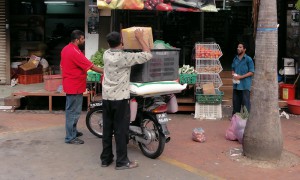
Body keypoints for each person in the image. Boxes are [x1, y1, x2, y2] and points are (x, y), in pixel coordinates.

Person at [100, 29, 153, 170]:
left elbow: (115, 48)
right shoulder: (124, 57)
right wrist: (140, 38)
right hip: (120, 99)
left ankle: (106, 159)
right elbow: (147, 54)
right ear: (121, 43)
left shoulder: (106, 54)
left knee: (107, 129)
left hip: (107, 97)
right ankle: (122, 162)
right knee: (120, 131)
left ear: (109, 43)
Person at [60, 30, 103, 145]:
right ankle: (70, 137)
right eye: (83, 39)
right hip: (74, 85)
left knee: (72, 110)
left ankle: (73, 131)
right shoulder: (74, 52)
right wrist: (106, 71)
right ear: (77, 39)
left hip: (71, 83)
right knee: (73, 111)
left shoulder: (66, 49)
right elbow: (91, 66)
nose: (84, 41)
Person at [231, 42, 255, 116]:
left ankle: (246, 118)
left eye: (240, 47)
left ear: (244, 49)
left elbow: (251, 72)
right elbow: (233, 69)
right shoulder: (235, 59)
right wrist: (233, 74)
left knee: (245, 103)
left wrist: (240, 77)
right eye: (238, 47)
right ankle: (235, 117)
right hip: (236, 84)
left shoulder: (248, 59)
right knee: (236, 102)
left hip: (245, 85)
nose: (238, 48)